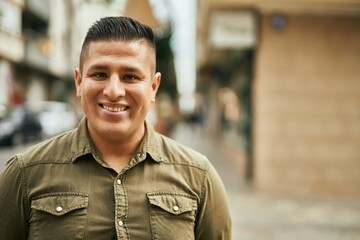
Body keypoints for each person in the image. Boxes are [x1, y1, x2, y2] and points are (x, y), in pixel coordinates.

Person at [0, 16, 231, 239]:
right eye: (100, 74)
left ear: (153, 86)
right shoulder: (24, 174)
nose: (113, 91)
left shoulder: (199, 177)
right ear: (79, 82)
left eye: (130, 77)